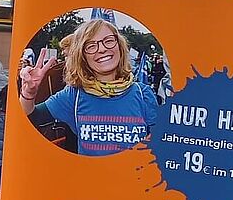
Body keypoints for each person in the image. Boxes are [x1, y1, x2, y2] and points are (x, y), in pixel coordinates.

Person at [18, 19, 158, 156]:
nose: (102, 49)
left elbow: (159, 145)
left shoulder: (143, 94)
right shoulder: (73, 95)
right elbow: (30, 117)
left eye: (109, 41)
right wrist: (28, 94)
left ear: (120, 46)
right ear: (82, 56)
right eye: (91, 46)